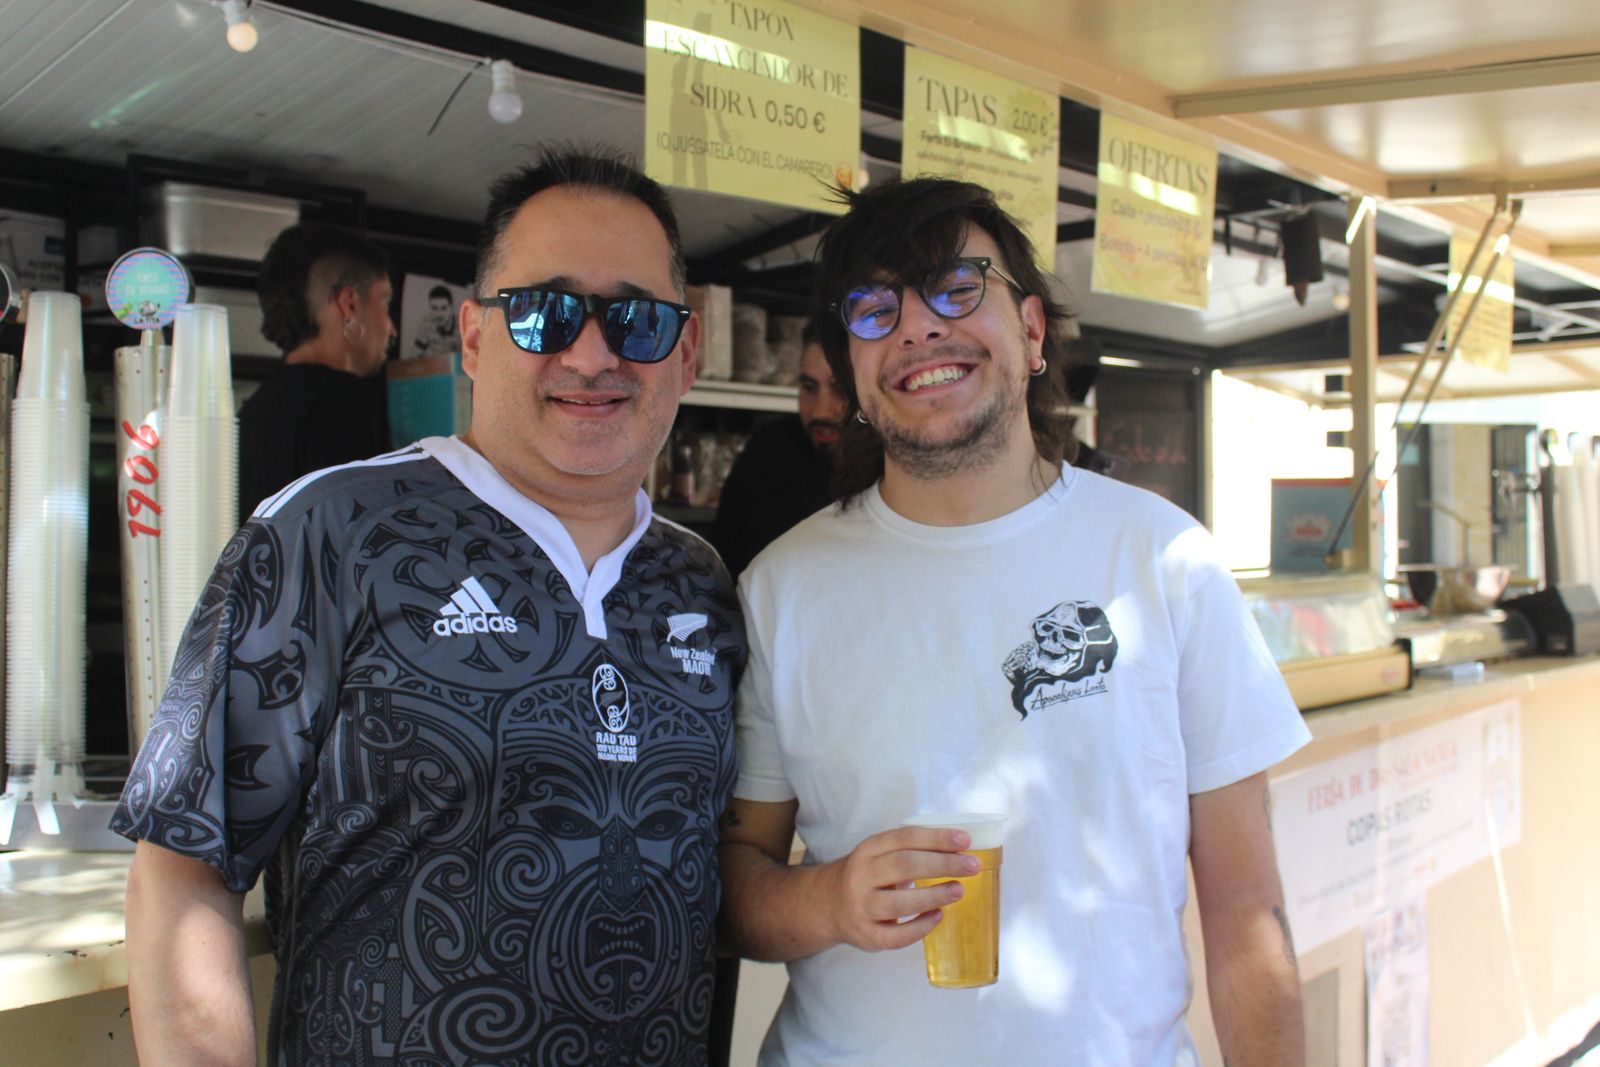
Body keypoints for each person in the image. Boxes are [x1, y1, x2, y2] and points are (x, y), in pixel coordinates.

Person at [114, 146, 744, 1066]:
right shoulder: (331, 532)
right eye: (544, 312)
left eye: (637, 319)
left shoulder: (701, 584)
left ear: (683, 355)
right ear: (476, 339)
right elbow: (184, 863)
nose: (591, 353)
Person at [717, 177, 1311, 1067]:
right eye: (874, 309)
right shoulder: (781, 588)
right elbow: (734, 884)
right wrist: (829, 899)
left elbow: (1246, 906)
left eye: (956, 287)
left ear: (1032, 330)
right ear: (852, 377)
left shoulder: (1164, 560)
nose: (917, 327)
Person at [237, 222, 395, 526]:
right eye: (385, 303)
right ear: (349, 304)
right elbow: (355, 533)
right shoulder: (345, 400)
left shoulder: (255, 407)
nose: (391, 328)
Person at [709, 322, 845, 575]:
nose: (820, 411)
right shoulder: (770, 455)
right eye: (809, 388)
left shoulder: (893, 470)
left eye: (840, 391)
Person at [412, 283, 460, 358]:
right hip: (437, 363)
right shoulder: (426, 324)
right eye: (434, 308)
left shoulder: (461, 326)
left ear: (451, 308)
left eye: (443, 308)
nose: (439, 314)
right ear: (429, 308)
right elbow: (414, 355)